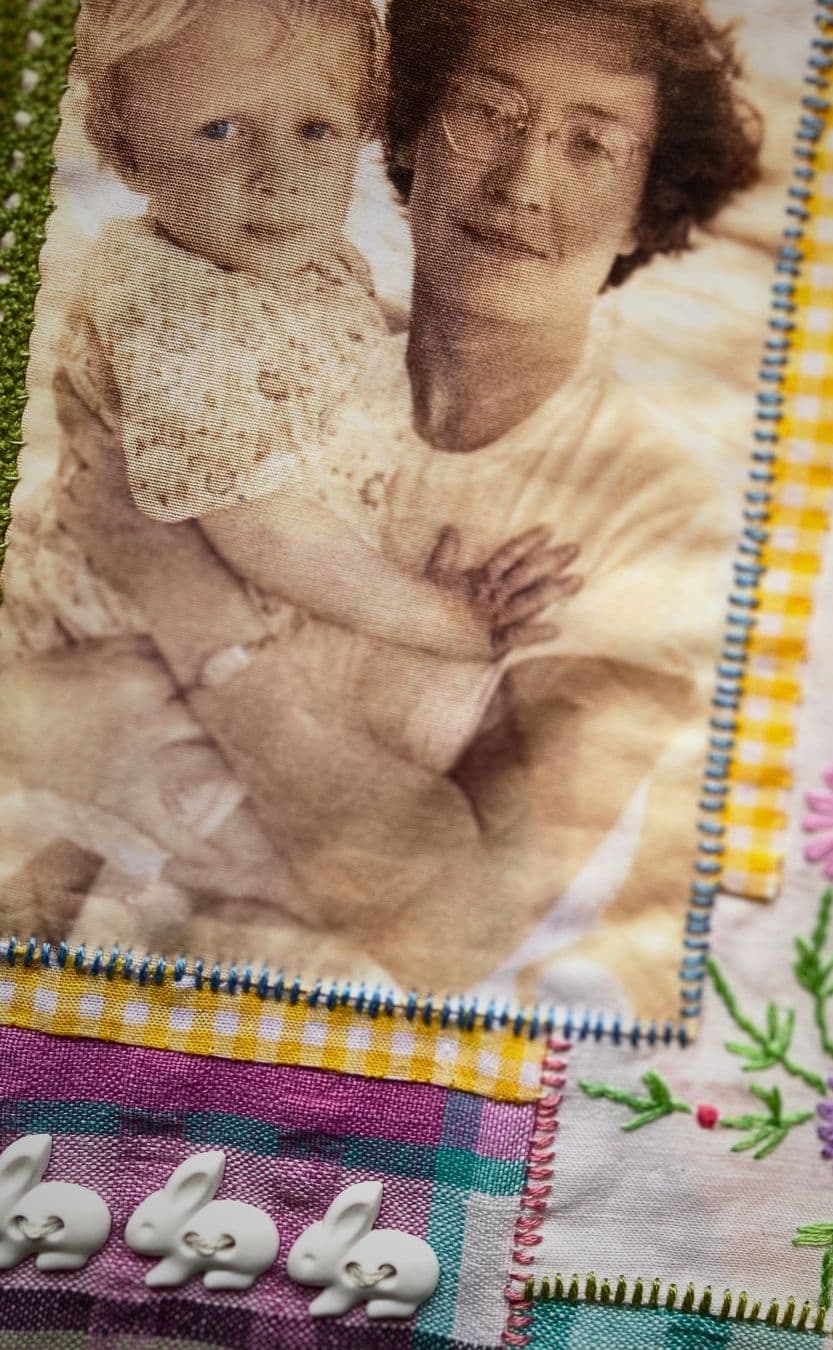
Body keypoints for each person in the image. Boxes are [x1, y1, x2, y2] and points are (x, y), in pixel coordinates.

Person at [3, 0, 761, 1009]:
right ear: (404, 133)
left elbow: (450, 931)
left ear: (647, 200)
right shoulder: (251, 348)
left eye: (591, 144)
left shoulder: (654, 509)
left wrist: (184, 591)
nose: (524, 180)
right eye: (488, 114)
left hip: (317, 1043)